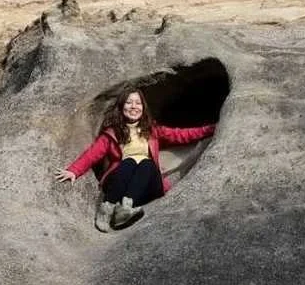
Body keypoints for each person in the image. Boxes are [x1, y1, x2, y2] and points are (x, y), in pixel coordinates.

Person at [55, 89, 216, 231]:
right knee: (130, 161)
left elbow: (181, 135)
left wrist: (210, 129)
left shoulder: (152, 130)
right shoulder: (111, 134)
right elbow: (92, 154)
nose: (134, 106)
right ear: (121, 107)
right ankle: (107, 210)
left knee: (145, 162)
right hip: (120, 181)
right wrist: (73, 171)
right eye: (129, 102)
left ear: (143, 107)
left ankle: (125, 208)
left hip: (146, 186)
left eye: (138, 103)